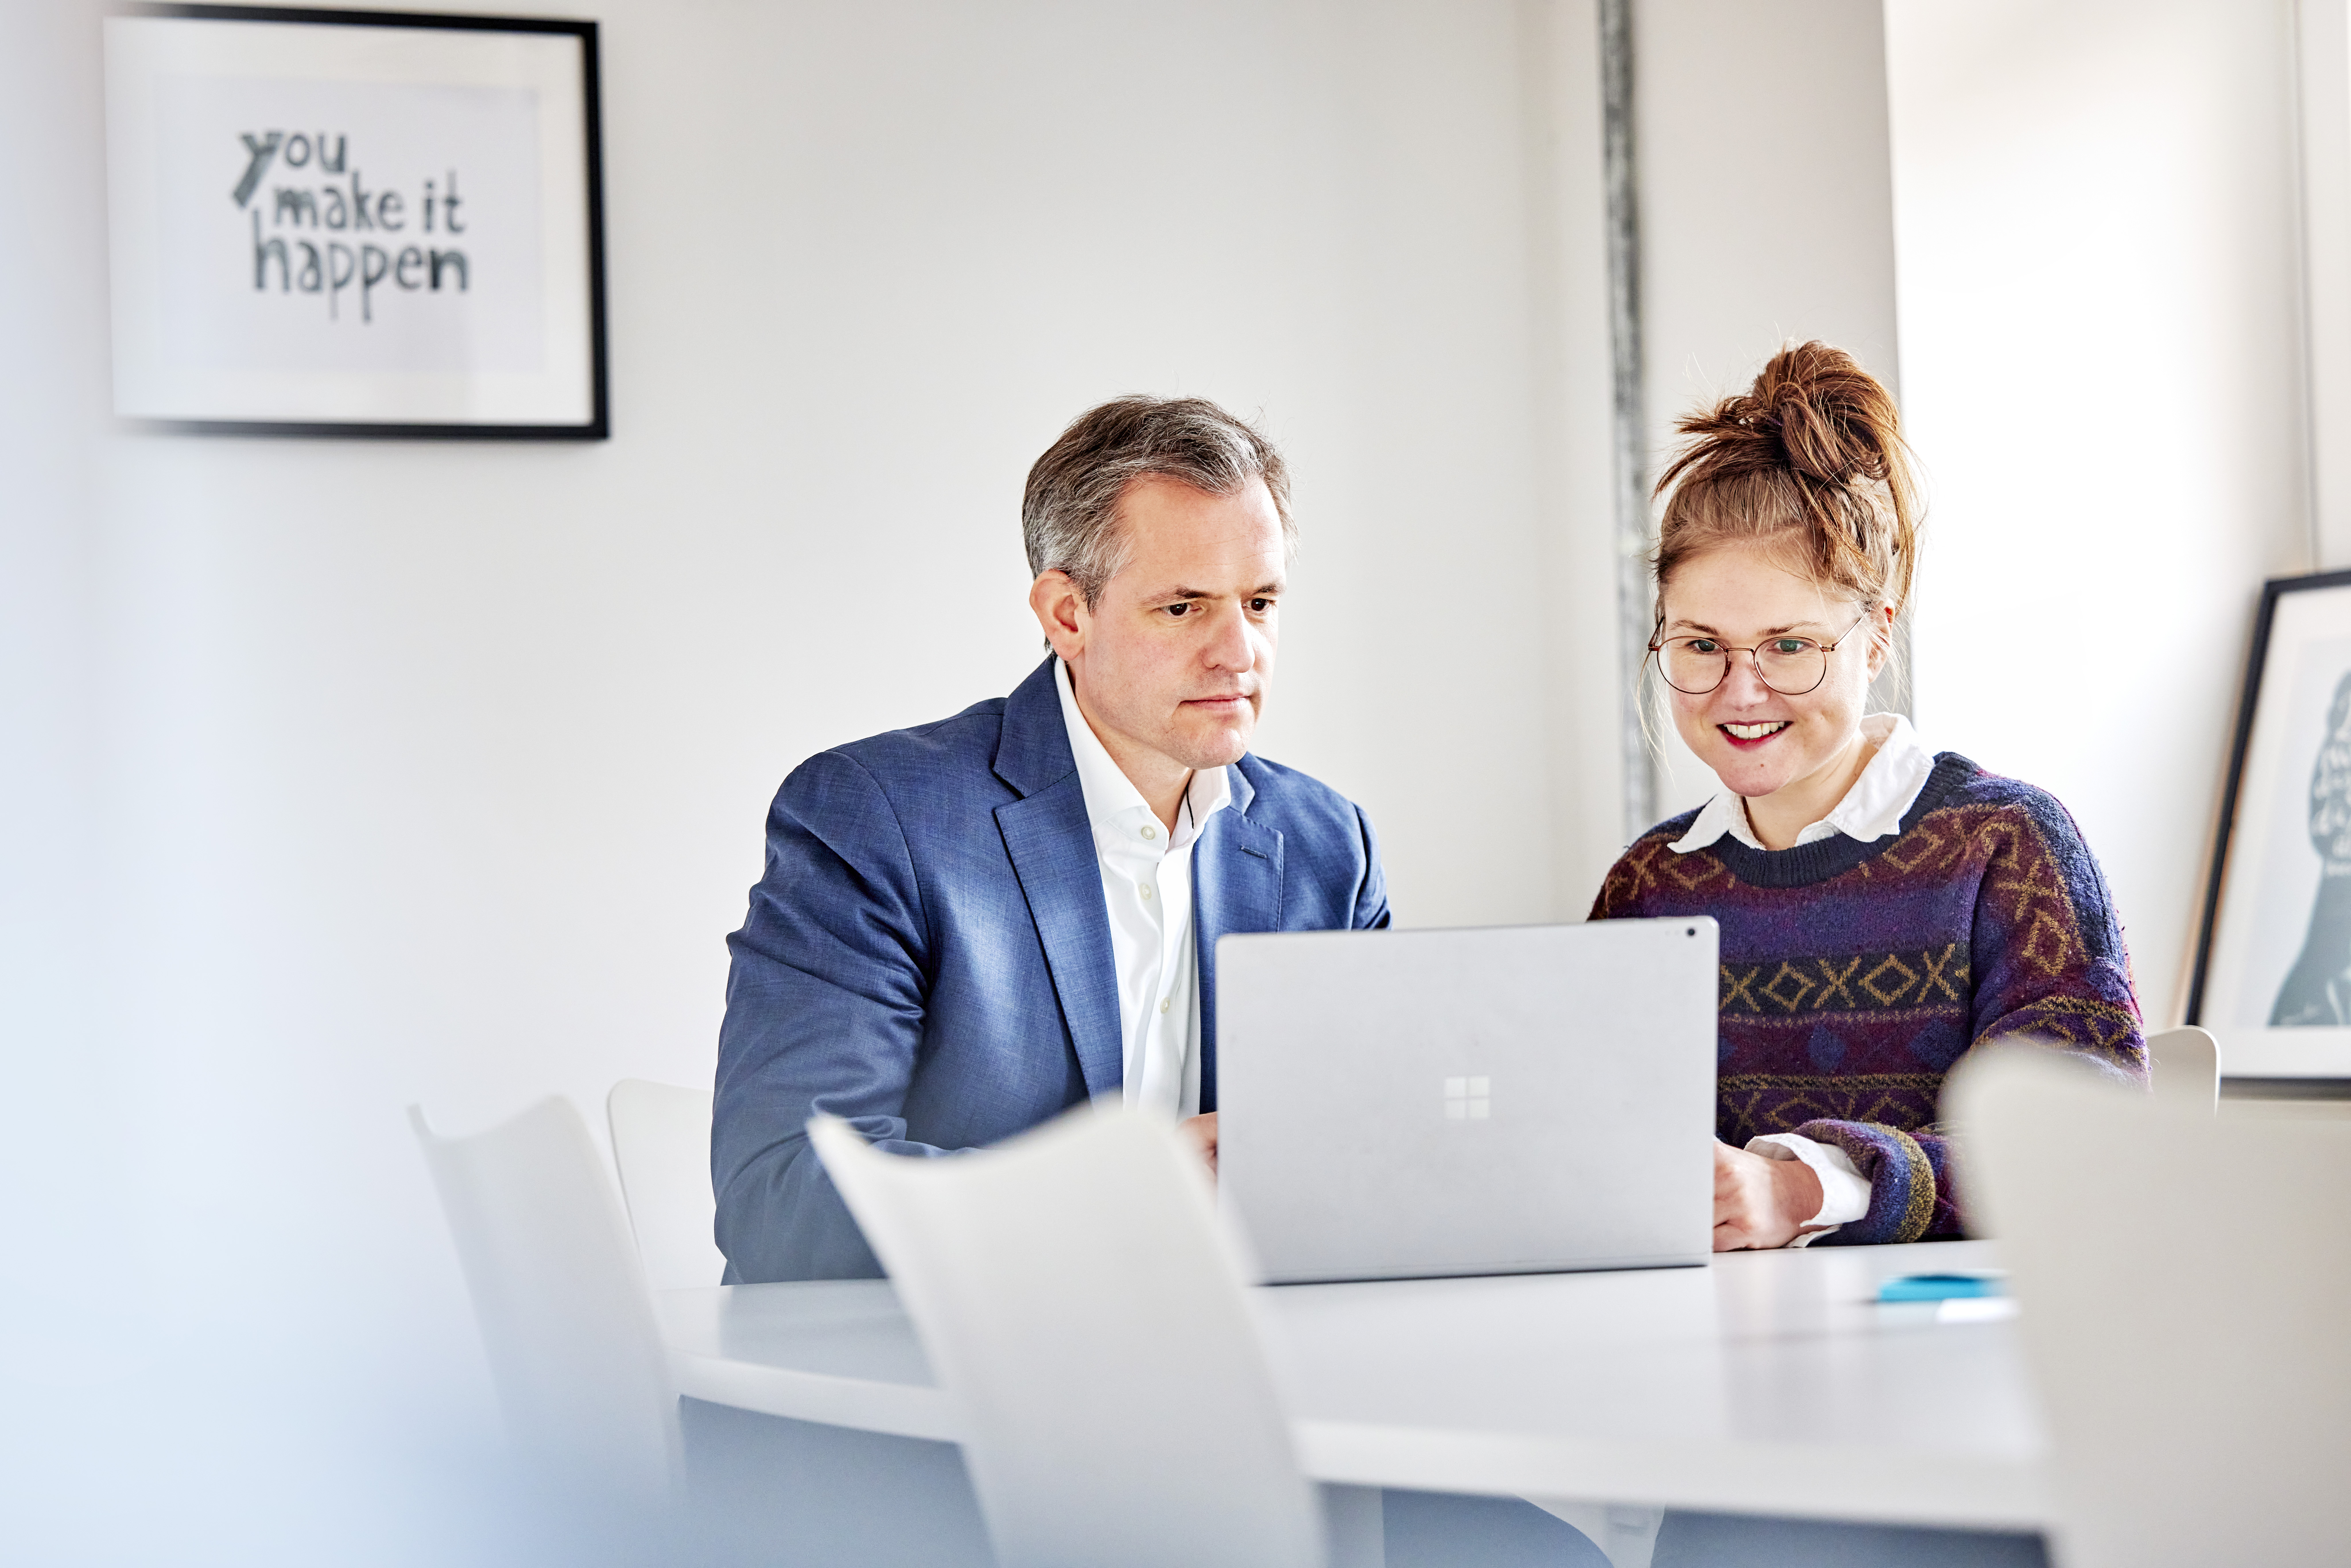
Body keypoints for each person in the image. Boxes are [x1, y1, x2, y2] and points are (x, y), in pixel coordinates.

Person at [712, 395, 1390, 1283]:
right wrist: (1123, 1195)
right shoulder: (873, 818)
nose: (1239, 652)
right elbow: (784, 1197)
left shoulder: (1328, 847)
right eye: (1184, 608)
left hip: (1232, 1378)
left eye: (1259, 602)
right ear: (1067, 615)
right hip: (924, 1392)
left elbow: (1375, 1163)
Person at [1591, 342, 2145, 1252]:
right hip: (1709, 1361)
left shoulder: (2002, 846)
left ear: (1876, 637)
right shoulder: (1648, 888)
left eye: (1790, 646)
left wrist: (1808, 1189)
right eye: (1700, 646)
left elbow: (2080, 1143)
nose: (1741, 691)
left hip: (1961, 1365)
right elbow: (1580, 1151)